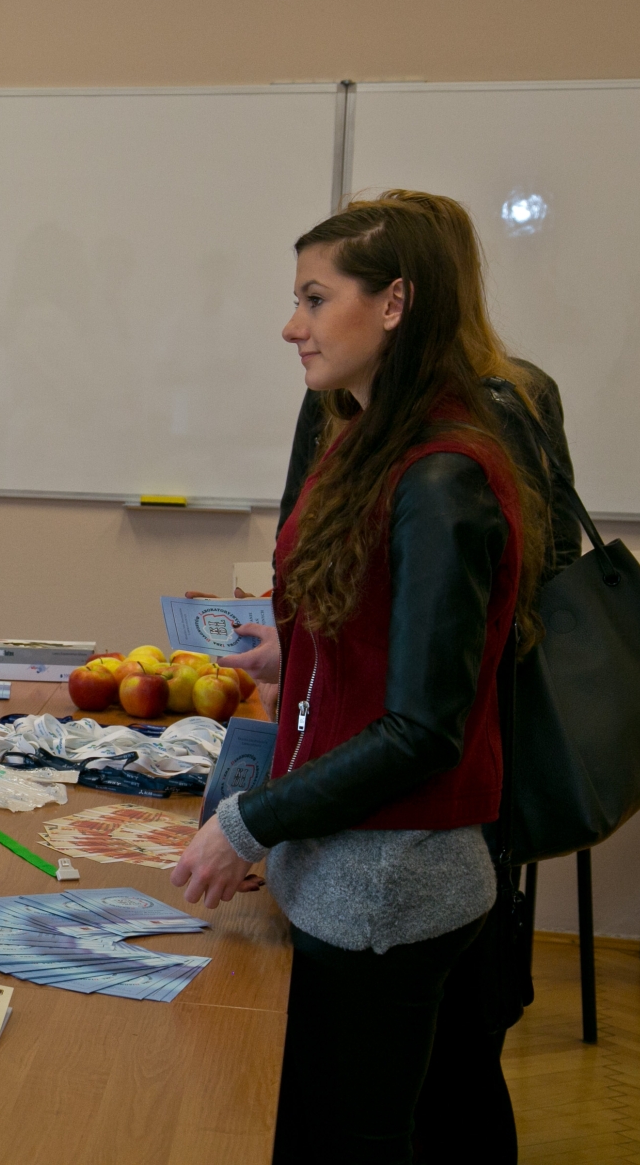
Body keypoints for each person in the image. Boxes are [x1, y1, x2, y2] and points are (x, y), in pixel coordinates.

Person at [170, 198, 548, 1164]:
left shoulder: (442, 477)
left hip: (388, 888)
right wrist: (299, 648)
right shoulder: (369, 440)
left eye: (314, 299)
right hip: (346, 874)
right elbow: (378, 627)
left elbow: (422, 729)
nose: (291, 326)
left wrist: (248, 823)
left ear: (394, 304)